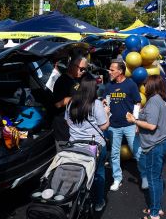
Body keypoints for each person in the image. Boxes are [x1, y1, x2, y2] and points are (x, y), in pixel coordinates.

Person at [126, 75, 166, 219]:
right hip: (163, 142)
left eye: (146, 84)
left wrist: (135, 120)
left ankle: (154, 214)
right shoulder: (162, 101)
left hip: (155, 144)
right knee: (157, 178)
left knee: (153, 179)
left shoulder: (153, 102)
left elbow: (152, 126)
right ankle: (156, 208)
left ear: (151, 86)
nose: (144, 87)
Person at [65, 75, 110, 211]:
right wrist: (106, 113)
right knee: (98, 172)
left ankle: (75, 198)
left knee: (78, 172)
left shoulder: (71, 102)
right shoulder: (95, 104)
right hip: (94, 146)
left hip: (75, 145)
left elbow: (67, 121)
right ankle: (98, 202)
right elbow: (104, 126)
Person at [103, 60, 146, 191]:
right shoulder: (109, 86)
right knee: (114, 154)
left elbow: (137, 103)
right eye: (109, 69)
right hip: (113, 126)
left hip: (129, 125)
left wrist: (136, 121)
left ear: (120, 71)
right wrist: (104, 103)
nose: (109, 72)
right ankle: (117, 178)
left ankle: (144, 176)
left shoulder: (130, 84)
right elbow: (107, 103)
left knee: (137, 152)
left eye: (112, 70)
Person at [52, 55, 88, 146]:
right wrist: (77, 98)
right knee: (66, 155)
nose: (83, 71)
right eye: (81, 69)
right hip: (63, 127)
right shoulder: (62, 81)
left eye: (85, 69)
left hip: (75, 126)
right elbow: (58, 104)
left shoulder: (77, 79)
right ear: (73, 66)